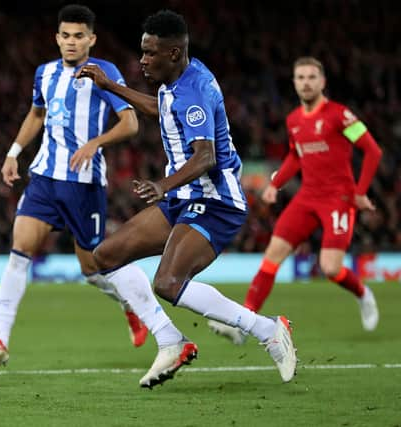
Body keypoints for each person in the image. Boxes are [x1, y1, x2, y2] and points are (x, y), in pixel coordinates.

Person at [77, 9, 298, 388]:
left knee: (167, 282)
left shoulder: (194, 91)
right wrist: (110, 86)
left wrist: (163, 186)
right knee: (105, 257)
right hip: (184, 195)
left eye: (150, 54)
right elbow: (158, 110)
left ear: (174, 53)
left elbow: (205, 156)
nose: (142, 60)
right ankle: (170, 340)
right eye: (142, 52)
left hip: (215, 201)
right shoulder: (174, 81)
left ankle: (268, 329)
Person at [0, 4, 144, 366]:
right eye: (65, 35)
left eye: (79, 36)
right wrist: (14, 152)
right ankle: (0, 340)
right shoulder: (45, 73)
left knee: (94, 271)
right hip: (45, 179)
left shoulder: (105, 73)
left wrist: (96, 143)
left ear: (91, 39)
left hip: (84, 184)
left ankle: (131, 306)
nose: (71, 42)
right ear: (57, 37)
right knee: (19, 253)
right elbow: (37, 114)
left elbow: (130, 123)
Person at [208, 56, 382, 345]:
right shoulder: (294, 121)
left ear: (323, 82)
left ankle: (363, 294)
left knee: (331, 268)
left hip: (337, 199)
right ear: (294, 83)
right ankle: (244, 323)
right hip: (306, 198)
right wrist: (275, 183)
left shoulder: (340, 116)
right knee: (272, 257)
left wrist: (360, 192)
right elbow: (295, 156)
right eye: (300, 77)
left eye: (312, 77)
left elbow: (372, 151)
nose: (306, 82)